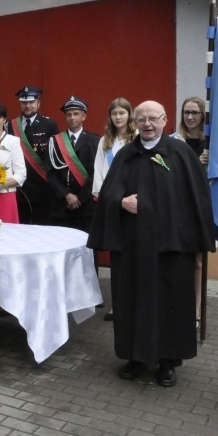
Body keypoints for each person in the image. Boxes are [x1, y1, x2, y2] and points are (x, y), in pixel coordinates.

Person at [87, 101, 214, 388]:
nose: (147, 124)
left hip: (171, 247)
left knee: (170, 303)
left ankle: (168, 362)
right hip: (133, 248)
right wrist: (120, 201)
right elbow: (107, 194)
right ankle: (135, 357)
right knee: (132, 301)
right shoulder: (125, 155)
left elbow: (196, 198)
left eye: (153, 119)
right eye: (141, 119)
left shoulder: (180, 153)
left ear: (164, 119)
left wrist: (198, 238)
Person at [92, 97, 138, 321]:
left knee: (134, 257)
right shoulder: (105, 141)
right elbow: (99, 173)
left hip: (133, 204)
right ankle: (117, 305)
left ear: (129, 115)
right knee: (116, 258)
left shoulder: (137, 139)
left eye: (122, 113)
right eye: (114, 113)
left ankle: (134, 304)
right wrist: (107, 199)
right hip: (113, 204)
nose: (118, 117)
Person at [171, 96, 209, 328]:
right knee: (178, 261)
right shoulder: (174, 141)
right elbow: (172, 174)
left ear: (203, 115)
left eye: (195, 112)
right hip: (179, 207)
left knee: (198, 263)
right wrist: (196, 161)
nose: (190, 117)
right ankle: (176, 305)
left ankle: (196, 310)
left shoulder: (212, 141)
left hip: (201, 208)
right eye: (186, 112)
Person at [6, 86, 59, 225]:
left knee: (42, 228)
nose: (28, 106)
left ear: (38, 103)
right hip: (18, 187)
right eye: (24, 102)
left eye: (31, 102)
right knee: (18, 228)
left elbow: (54, 156)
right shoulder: (10, 126)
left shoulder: (49, 125)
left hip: (41, 188)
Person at [46, 96, 100, 231]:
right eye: (68, 114)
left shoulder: (95, 141)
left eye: (76, 113)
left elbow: (96, 174)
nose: (72, 117)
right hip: (61, 205)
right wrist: (67, 195)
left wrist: (80, 199)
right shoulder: (54, 141)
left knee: (87, 248)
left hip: (86, 206)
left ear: (84, 116)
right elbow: (51, 173)